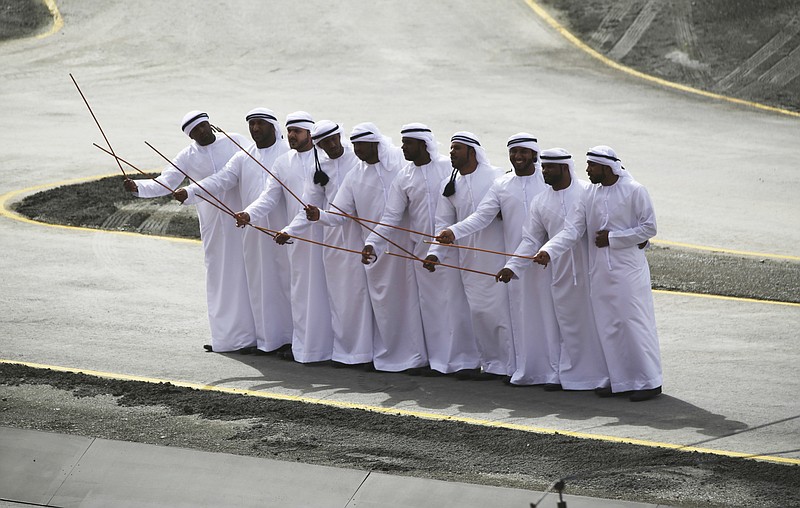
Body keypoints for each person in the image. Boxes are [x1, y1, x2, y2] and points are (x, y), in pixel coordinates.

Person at [532, 145, 662, 402]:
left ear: (607, 166)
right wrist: (549, 250)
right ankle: (619, 380)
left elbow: (649, 228)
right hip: (599, 271)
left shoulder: (635, 190)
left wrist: (613, 238)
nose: (588, 170)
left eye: (592, 166)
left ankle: (648, 381)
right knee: (608, 326)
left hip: (628, 271)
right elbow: (572, 230)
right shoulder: (589, 194)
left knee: (631, 323)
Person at [123, 110, 255, 353]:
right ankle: (226, 338)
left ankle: (258, 336)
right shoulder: (187, 156)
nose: (202, 132)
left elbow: (257, 163)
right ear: (190, 135)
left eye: (203, 126)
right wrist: (137, 187)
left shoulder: (235, 140)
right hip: (214, 223)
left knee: (251, 273)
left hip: (246, 214)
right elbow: (165, 182)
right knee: (220, 274)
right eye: (196, 131)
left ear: (210, 124)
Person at [437, 133, 560, 387]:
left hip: (550, 259)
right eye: (514, 152)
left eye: (524, 152)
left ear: (535, 155)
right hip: (515, 259)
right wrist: (454, 231)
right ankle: (524, 369)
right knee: (521, 315)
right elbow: (482, 217)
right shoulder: (502, 184)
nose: (518, 156)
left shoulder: (548, 181)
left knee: (551, 315)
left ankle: (557, 371)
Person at [306, 123, 428, 373]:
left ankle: (416, 358)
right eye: (356, 144)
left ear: (375, 144)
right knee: (383, 305)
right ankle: (388, 357)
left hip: (403, 248)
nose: (358, 149)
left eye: (362, 144)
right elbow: (339, 214)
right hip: (373, 250)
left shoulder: (399, 168)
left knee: (409, 302)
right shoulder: (355, 176)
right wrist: (319, 215)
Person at [362, 123, 480, 375]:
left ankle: (465, 361)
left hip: (454, 249)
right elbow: (391, 217)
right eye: (403, 143)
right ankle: (437, 362)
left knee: (456, 305)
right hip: (422, 253)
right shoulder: (403, 177)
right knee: (431, 306)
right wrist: (372, 242)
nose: (403, 147)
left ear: (423, 144)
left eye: (408, 143)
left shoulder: (448, 168)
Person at [173, 108, 292, 355]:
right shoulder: (245, 156)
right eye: (251, 125)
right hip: (254, 232)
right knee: (260, 285)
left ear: (272, 125)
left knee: (290, 283)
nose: (255, 129)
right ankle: (268, 341)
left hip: (286, 230)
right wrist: (191, 192)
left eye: (260, 124)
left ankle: (296, 341)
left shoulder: (287, 154)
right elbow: (220, 180)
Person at [497, 148, 610, 391]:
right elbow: (530, 239)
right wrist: (512, 266)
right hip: (560, 272)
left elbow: (599, 223)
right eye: (544, 167)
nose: (544, 171)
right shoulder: (540, 201)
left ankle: (603, 377)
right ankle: (567, 375)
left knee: (592, 323)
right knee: (565, 323)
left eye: (550, 168)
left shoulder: (586, 192)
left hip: (592, 269)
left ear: (565, 168)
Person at [235, 111, 334, 364]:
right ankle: (305, 347)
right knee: (301, 291)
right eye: (289, 131)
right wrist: (249, 214)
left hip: (327, 234)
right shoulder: (283, 162)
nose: (291, 136)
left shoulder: (325, 159)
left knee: (329, 292)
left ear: (309, 134)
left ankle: (330, 347)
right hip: (297, 238)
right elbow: (269, 196)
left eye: (297, 132)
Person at [277, 120, 375, 367]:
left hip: (362, 236)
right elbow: (308, 209)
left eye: (334, 139)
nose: (331, 145)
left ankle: (366, 353)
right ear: (318, 145)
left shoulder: (359, 161)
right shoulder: (318, 169)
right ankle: (344, 353)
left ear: (340, 137)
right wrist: (289, 231)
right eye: (324, 143)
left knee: (362, 295)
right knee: (340, 297)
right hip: (333, 239)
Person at [424, 132, 514, 380]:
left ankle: (511, 365)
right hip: (468, 259)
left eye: (457, 149)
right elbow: (441, 224)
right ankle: (493, 365)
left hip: (498, 255)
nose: (451, 153)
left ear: (472, 152)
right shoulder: (449, 184)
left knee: (501, 313)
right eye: (451, 149)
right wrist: (435, 253)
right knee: (479, 312)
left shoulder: (497, 177)